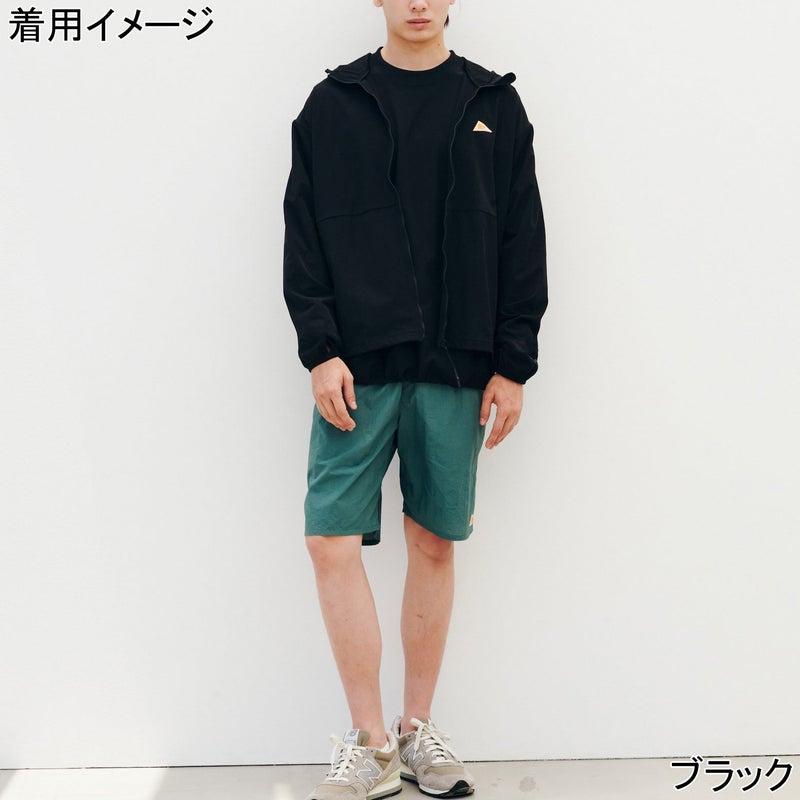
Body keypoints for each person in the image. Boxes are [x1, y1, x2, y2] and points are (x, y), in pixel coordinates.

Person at [282, 1, 547, 797]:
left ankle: (416, 730)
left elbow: (523, 236)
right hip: (356, 365)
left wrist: (514, 363)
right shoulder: (333, 104)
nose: (419, 3)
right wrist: (320, 349)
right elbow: (303, 232)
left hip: (457, 361)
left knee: (433, 541)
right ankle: (370, 746)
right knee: (330, 540)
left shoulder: (493, 104)